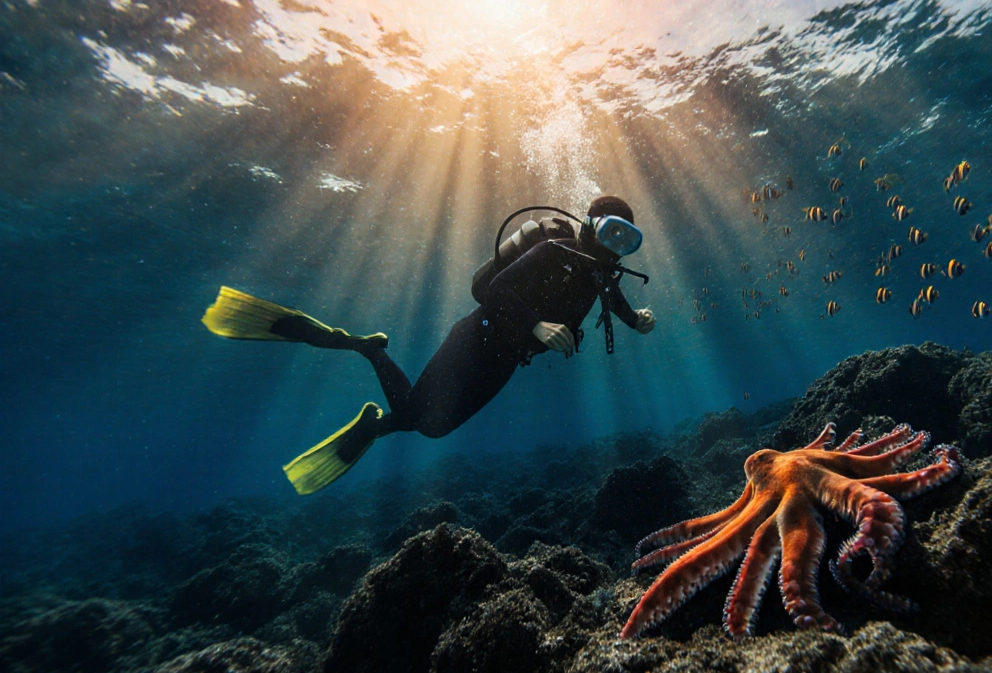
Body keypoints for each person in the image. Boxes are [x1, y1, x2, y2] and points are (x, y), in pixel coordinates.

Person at [201, 196, 656, 494]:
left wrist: (634, 319)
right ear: (591, 224)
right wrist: (536, 326)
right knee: (416, 414)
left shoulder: (598, 273)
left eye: (627, 240)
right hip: (478, 337)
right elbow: (494, 289)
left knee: (434, 427)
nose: (616, 246)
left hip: (508, 358)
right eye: (612, 231)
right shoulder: (554, 249)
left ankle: (377, 422)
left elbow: (611, 295)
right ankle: (369, 349)